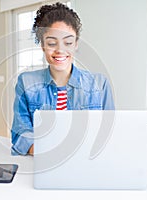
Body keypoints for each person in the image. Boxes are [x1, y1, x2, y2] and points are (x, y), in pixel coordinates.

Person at [11, 2, 114, 156]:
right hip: (43, 163)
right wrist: (55, 155)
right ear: (43, 46)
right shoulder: (26, 82)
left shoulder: (100, 84)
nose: (60, 50)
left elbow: (109, 134)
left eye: (68, 42)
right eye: (52, 43)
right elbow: (21, 134)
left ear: (76, 45)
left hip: (88, 164)